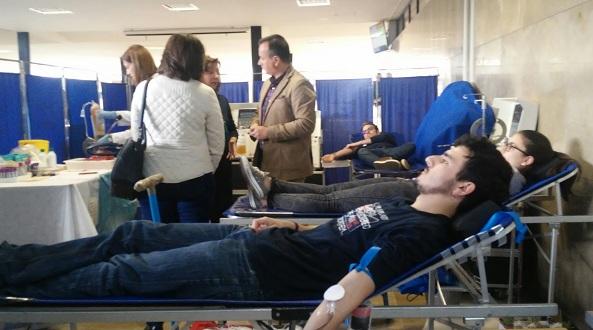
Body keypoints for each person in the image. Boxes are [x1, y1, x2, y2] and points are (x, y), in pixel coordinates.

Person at [0, 136, 512, 306]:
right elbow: (342, 235)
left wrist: (324, 317)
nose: (434, 159)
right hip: (264, 242)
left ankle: (17, 285)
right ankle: (18, 261)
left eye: (448, 160)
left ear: (464, 188)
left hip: (256, 268)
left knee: (125, 271)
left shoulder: (419, 230)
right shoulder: (406, 205)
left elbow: (358, 282)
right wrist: (287, 226)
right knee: (133, 232)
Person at [241, 130, 572, 213]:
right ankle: (271, 185)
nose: (503, 147)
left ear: (527, 160)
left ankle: (269, 198)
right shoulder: (504, 169)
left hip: (415, 195)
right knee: (332, 194)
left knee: (333, 201)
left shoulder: (510, 177)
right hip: (420, 189)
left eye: (510, 146)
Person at [132, 34, 224, 223]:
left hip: (153, 179)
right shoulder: (205, 93)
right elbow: (217, 143)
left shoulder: (144, 88)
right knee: (194, 241)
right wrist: (206, 168)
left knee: (159, 240)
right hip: (196, 178)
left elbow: (136, 135)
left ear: (167, 56)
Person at [250, 34, 316, 182]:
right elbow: (261, 112)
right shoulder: (267, 84)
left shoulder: (299, 84)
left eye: (262, 57)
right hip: (266, 162)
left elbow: (306, 124)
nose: (259, 62)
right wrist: (255, 123)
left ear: (275, 60)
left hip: (289, 167)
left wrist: (268, 132)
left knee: (288, 205)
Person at [200, 55, 239, 222]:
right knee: (203, 213)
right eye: (210, 72)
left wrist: (232, 139)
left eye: (217, 72)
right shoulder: (196, 100)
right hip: (204, 166)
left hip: (223, 165)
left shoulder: (222, 100)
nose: (215, 76)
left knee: (222, 211)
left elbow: (231, 128)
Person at [92, 44, 157, 144]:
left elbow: (140, 129)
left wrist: (112, 138)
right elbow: (141, 117)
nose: (127, 72)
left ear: (137, 64)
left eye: (128, 67)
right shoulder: (150, 85)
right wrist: (113, 115)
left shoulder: (149, 88)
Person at [321, 121, 415, 170]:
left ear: (378, 131)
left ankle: (391, 163)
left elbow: (379, 138)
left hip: (391, 151)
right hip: (373, 155)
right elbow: (349, 151)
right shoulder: (363, 147)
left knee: (411, 145)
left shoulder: (385, 136)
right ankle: (390, 164)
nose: (367, 132)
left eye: (370, 129)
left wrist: (358, 142)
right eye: (364, 132)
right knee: (361, 151)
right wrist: (333, 155)